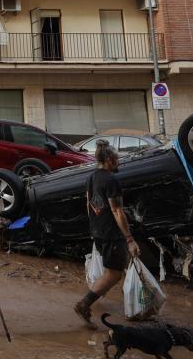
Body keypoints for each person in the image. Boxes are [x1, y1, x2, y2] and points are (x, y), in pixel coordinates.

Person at [74, 140, 140, 328]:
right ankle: (84, 304)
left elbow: (89, 203)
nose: (118, 162)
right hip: (111, 233)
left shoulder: (91, 177)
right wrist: (130, 239)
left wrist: (94, 230)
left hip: (98, 231)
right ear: (110, 160)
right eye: (117, 159)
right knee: (114, 274)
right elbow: (117, 211)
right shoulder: (111, 180)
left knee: (114, 268)